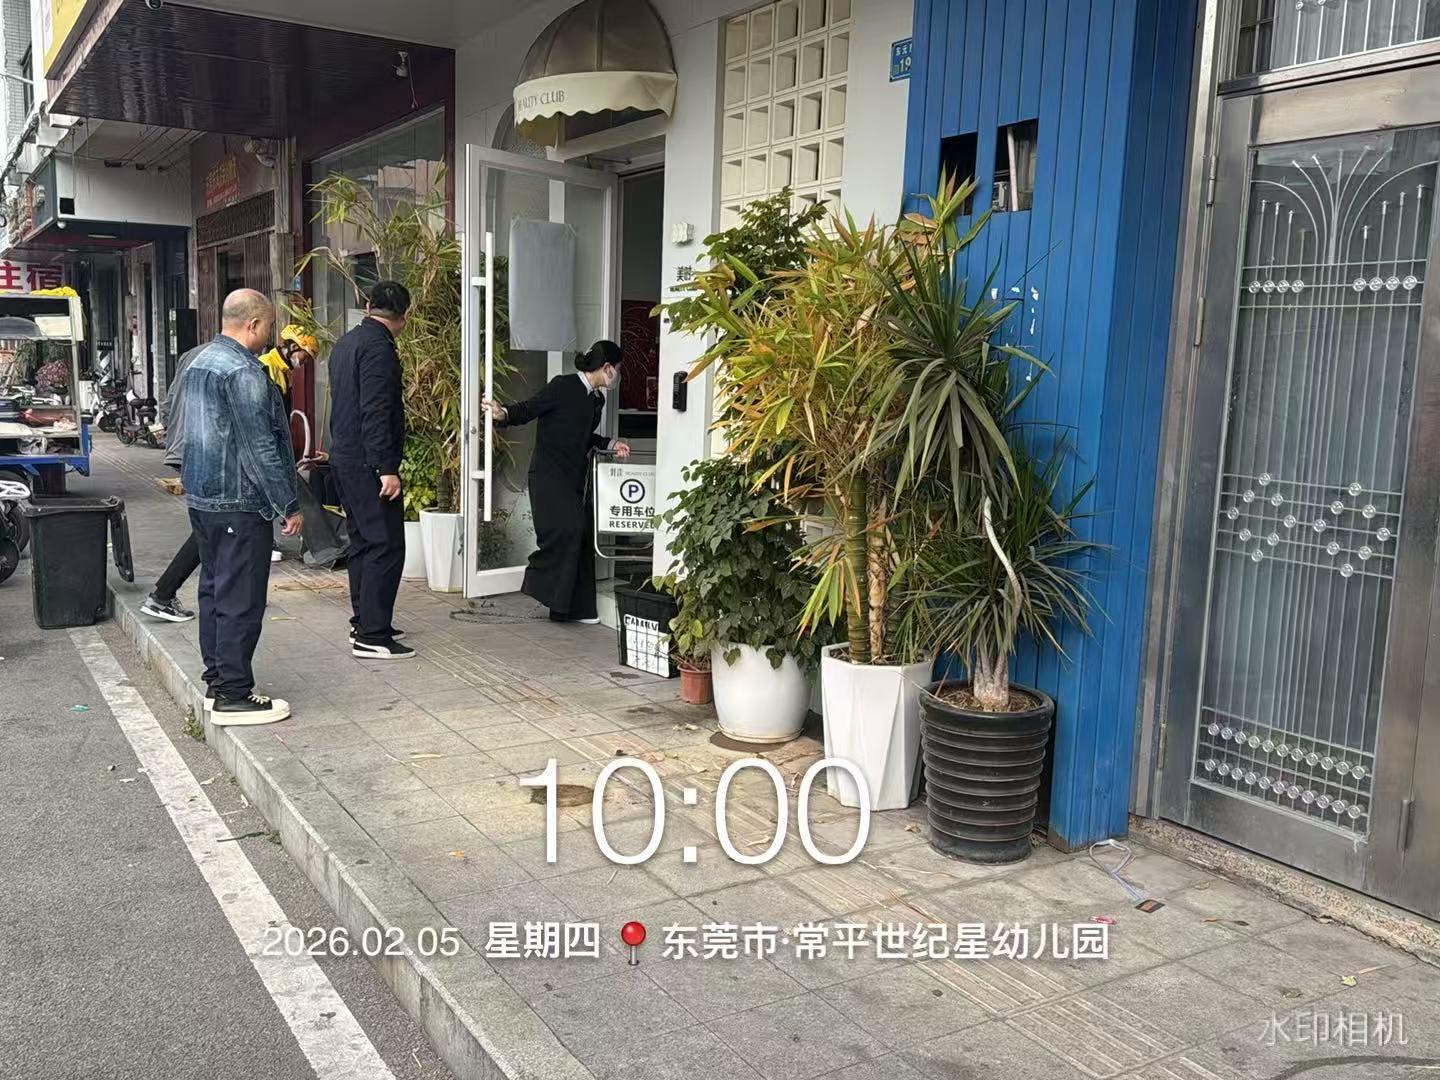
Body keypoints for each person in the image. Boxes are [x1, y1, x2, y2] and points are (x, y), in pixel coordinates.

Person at [179, 289, 302, 724]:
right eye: (268, 326)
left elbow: (183, 431)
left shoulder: (198, 361)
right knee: (241, 597)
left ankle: (218, 681)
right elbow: (260, 447)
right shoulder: (243, 371)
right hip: (238, 500)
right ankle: (234, 694)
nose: (269, 335)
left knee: (214, 589)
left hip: (203, 497)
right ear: (253, 324)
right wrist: (288, 503)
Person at [483, 340, 631, 624]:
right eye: (618, 369)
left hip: (572, 477)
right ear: (607, 367)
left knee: (581, 535)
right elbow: (530, 408)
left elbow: (582, 437)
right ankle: (538, 582)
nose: (618, 376)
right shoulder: (563, 386)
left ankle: (573, 610)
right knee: (567, 532)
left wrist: (611, 443)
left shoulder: (595, 399)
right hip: (548, 476)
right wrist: (504, 414)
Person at [327, 281, 413, 660]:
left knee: (363, 542)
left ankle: (364, 621)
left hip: (345, 458)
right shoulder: (379, 348)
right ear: (403, 317)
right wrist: (386, 467)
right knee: (386, 544)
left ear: (367, 305)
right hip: (368, 463)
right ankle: (373, 635)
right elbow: (376, 410)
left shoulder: (346, 343)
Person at [139, 339, 208, 623]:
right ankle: (162, 595)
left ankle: (166, 594)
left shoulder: (191, 354)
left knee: (210, 527)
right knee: (209, 528)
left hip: (185, 450)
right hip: (205, 455)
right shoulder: (228, 362)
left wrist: (174, 436)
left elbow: (167, 405)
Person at [257, 324, 320, 562]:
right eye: (305, 356)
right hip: (266, 443)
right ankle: (264, 543)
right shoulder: (265, 366)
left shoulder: (284, 371)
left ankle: (267, 540)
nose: (304, 362)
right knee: (264, 493)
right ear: (293, 347)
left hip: (276, 442)